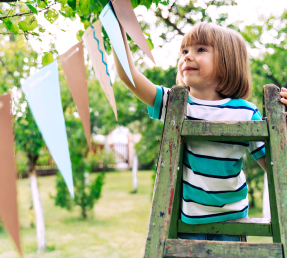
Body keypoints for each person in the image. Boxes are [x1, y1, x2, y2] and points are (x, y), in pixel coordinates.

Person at [112, 22, 287, 242]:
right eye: (184, 51)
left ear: (228, 61)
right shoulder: (175, 104)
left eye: (200, 49)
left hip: (232, 224)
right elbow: (129, 76)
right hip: (186, 224)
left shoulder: (245, 112)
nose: (187, 56)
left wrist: (284, 130)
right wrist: (117, 26)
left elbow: (276, 168)